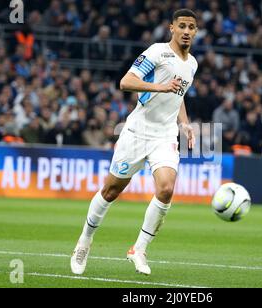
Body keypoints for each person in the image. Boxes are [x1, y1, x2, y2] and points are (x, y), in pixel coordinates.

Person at [70, 9, 198, 276]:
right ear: (171, 28)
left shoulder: (192, 64)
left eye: (191, 27)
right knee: (111, 191)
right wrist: (160, 87)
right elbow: (125, 82)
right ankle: (84, 241)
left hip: (164, 135)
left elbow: (179, 95)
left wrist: (185, 124)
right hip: (138, 131)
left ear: (196, 32)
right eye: (182, 26)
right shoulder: (156, 52)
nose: (186, 31)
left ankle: (139, 249)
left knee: (166, 189)